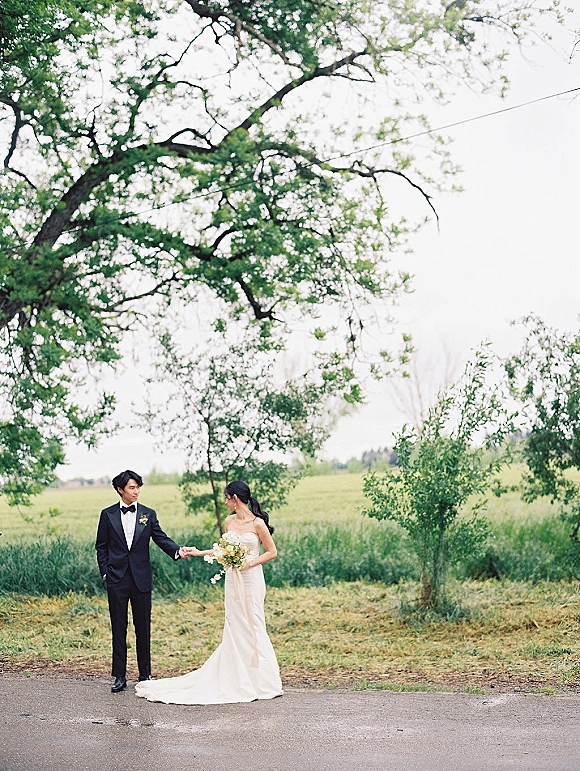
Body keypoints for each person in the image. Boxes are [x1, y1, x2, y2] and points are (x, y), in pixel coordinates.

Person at [135, 480, 283, 705]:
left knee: (254, 623)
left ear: (235, 498)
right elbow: (223, 550)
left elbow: (272, 552)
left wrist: (248, 563)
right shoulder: (229, 522)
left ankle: (261, 679)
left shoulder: (258, 523)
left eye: (226, 498)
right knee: (235, 625)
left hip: (251, 580)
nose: (225, 502)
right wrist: (197, 552)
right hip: (233, 580)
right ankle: (236, 677)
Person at [95, 469, 189, 693]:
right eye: (131, 488)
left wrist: (177, 551)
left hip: (141, 578)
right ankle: (119, 676)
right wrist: (106, 572)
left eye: (138, 487)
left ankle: (145, 674)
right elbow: (101, 547)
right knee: (119, 627)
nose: (136, 491)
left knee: (143, 627)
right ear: (120, 490)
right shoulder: (107, 515)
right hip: (116, 579)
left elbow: (160, 538)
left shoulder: (148, 514)